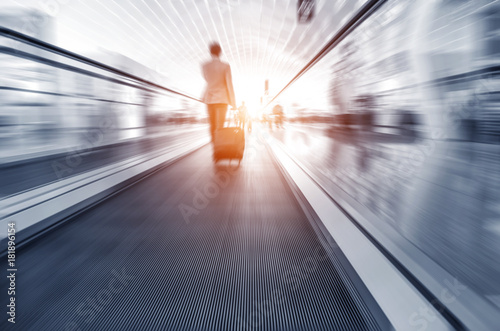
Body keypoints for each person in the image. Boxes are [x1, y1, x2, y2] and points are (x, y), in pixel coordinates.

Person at [201, 42, 236, 142]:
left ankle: (214, 148)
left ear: (210, 52)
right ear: (220, 52)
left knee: (212, 125)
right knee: (219, 126)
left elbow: (207, 80)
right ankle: (219, 148)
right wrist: (233, 103)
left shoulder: (204, 66)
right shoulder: (225, 66)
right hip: (222, 99)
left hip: (209, 98)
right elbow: (229, 84)